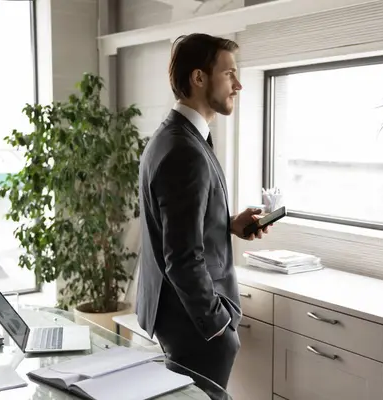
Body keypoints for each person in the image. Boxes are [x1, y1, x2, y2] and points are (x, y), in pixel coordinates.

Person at [136, 33, 270, 398]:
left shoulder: (172, 136)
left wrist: (226, 225)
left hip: (179, 319)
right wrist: (218, 327)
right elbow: (181, 258)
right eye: (229, 74)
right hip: (195, 327)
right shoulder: (185, 150)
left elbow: (174, 228)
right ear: (199, 78)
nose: (238, 85)